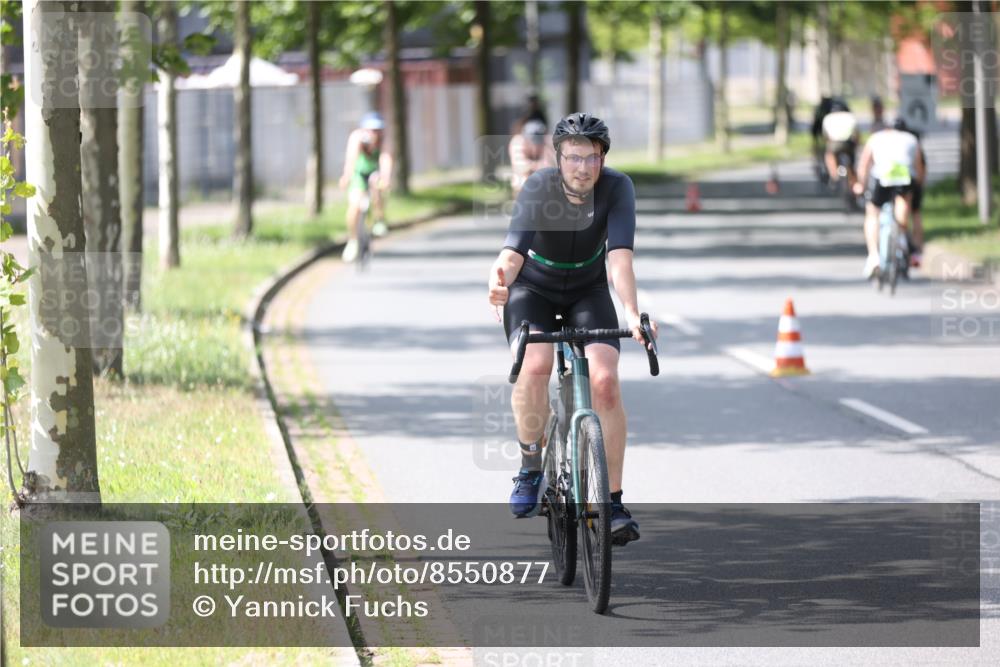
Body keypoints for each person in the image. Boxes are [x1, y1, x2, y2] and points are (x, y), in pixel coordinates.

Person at [487, 112, 658, 546]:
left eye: (592, 158)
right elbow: (512, 254)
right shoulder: (538, 186)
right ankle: (530, 468)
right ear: (558, 158)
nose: (583, 168)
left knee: (605, 381)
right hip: (533, 290)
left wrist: (633, 313)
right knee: (535, 364)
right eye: (573, 158)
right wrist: (498, 280)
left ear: (603, 159)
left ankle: (612, 503)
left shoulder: (617, 188)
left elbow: (619, 258)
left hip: (587, 290)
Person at [853, 118, 926, 278]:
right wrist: (918, 185)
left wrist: (860, 184)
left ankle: (874, 256)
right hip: (904, 179)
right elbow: (919, 167)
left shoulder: (876, 137)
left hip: (882, 177)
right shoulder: (911, 139)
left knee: (872, 213)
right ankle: (902, 239)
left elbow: (864, 164)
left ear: (887, 129)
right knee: (903, 207)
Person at [339, 112, 393, 262]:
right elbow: (351, 159)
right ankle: (353, 240)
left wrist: (386, 178)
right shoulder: (357, 138)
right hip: (358, 174)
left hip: (374, 173)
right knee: (354, 206)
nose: (375, 133)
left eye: (378, 130)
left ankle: (379, 218)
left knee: (378, 185)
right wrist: (346, 177)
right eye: (372, 130)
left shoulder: (384, 140)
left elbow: (386, 159)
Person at [507, 119, 555, 198]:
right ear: (525, 138)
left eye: (539, 141)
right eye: (532, 141)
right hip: (522, 186)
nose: (536, 146)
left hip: (544, 187)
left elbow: (550, 168)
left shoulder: (547, 142)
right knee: (523, 179)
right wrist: (538, 167)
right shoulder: (517, 142)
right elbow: (521, 168)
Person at [822, 98, 860, 193]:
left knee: (829, 155)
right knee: (852, 164)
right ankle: (854, 181)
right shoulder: (850, 117)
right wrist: (857, 144)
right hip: (849, 143)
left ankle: (834, 176)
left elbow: (826, 137)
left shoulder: (828, 118)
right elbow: (856, 134)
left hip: (834, 144)